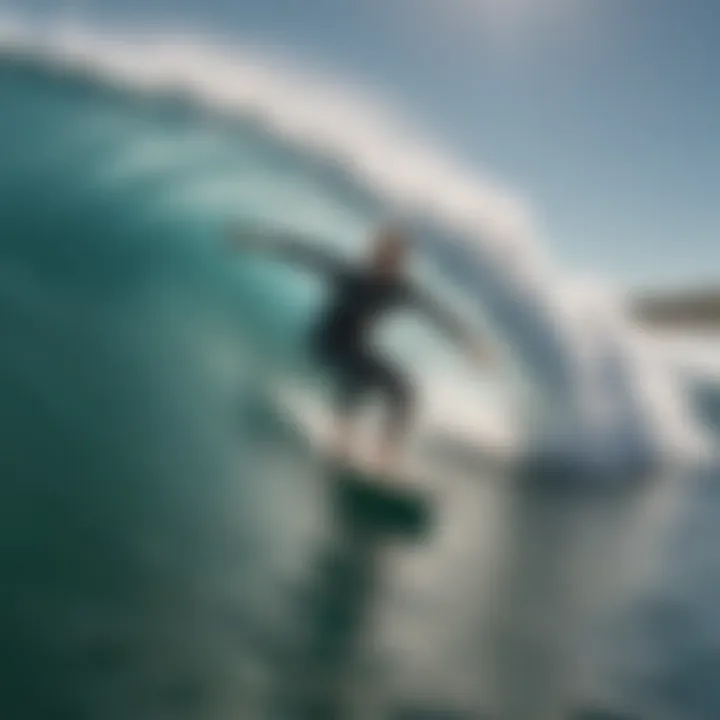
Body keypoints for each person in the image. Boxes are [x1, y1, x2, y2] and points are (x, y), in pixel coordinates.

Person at [229, 222, 486, 475]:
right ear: (374, 256)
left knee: (405, 391)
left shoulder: (400, 290)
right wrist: (257, 241)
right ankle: (340, 440)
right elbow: (304, 253)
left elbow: (436, 313)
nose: (387, 264)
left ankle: (386, 456)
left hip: (358, 347)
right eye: (382, 256)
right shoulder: (351, 275)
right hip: (327, 341)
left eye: (394, 259)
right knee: (357, 378)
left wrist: (469, 344)